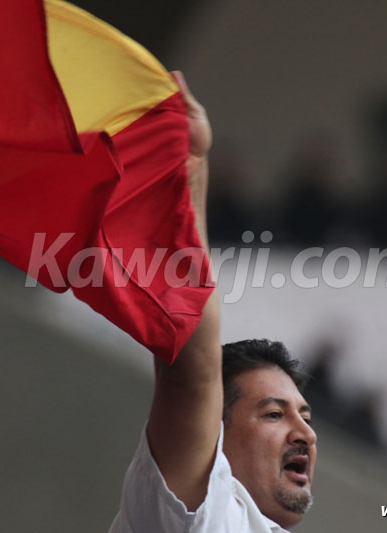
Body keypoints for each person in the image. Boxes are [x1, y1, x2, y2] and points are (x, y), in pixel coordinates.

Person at [109, 73, 317, 532]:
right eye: (273, 414)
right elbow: (189, 372)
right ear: (213, 436)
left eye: (303, 415)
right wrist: (188, 163)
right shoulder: (197, 512)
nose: (305, 433)